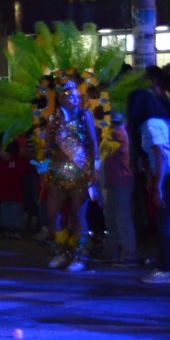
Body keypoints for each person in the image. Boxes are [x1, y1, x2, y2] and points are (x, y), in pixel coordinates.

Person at [38, 79, 99, 272]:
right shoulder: (53, 119)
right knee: (52, 214)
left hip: (80, 173)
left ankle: (80, 255)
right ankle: (62, 251)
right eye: (68, 95)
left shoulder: (84, 116)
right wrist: (43, 171)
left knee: (78, 214)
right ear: (60, 99)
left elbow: (93, 143)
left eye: (76, 95)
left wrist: (94, 169)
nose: (73, 98)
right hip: (57, 173)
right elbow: (47, 148)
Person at [129, 89, 170, 284]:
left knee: (164, 224)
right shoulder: (161, 121)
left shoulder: (150, 124)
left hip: (167, 176)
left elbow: (161, 155)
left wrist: (159, 186)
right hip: (163, 175)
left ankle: (164, 268)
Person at [100, 112, 137, 266]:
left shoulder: (118, 133)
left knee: (121, 218)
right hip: (116, 181)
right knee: (112, 218)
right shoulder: (120, 132)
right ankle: (111, 253)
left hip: (121, 180)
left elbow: (103, 150)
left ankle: (129, 256)